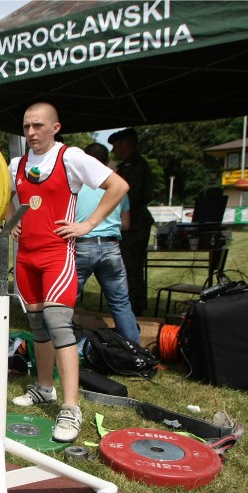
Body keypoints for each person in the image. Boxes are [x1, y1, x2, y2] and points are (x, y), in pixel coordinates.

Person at [7, 102, 128, 443]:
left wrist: (88, 224)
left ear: (55, 127)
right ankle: (45, 388)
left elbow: (118, 186)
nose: (31, 132)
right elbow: (6, 193)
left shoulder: (70, 157)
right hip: (25, 257)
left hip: (57, 255)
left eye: (38, 126)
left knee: (59, 325)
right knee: (35, 325)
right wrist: (10, 219)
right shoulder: (16, 163)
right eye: (27, 126)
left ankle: (71, 408)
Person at [74, 143, 140, 344]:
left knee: (64, 302)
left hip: (81, 245)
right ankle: (135, 352)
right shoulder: (118, 187)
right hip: (111, 248)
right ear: (107, 162)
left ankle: (60, 346)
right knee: (120, 303)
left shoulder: (75, 186)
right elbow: (126, 224)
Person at [109, 127, 154, 316]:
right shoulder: (130, 165)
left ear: (126, 144)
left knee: (130, 267)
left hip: (134, 223)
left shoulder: (135, 166)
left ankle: (132, 307)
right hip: (131, 222)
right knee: (129, 267)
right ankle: (131, 306)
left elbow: (130, 196)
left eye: (116, 146)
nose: (114, 151)